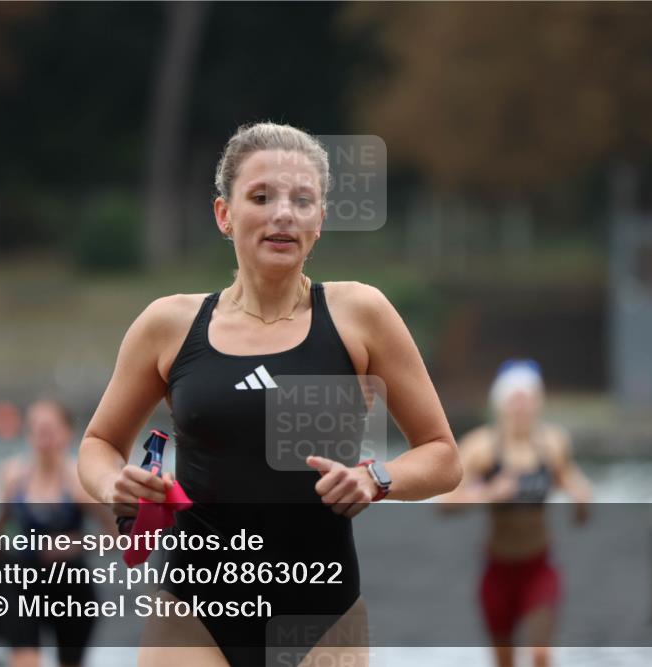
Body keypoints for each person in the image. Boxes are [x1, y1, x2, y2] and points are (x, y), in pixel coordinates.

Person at [78, 121, 461, 666]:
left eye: (302, 200)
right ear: (223, 214)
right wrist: (114, 485)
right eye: (261, 197)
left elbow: (444, 456)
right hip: (193, 611)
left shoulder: (362, 315)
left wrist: (377, 479)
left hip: (321, 612)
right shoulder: (167, 324)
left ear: (320, 221)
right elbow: (98, 442)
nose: (283, 213)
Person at [438, 360, 592, 667]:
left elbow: (576, 490)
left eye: (527, 401)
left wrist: (581, 502)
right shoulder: (482, 447)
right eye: (514, 401)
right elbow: (445, 503)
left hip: (539, 567)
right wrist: (488, 494)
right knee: (504, 662)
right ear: (501, 405)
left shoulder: (552, 444)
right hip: (497, 569)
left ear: (538, 403)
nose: (521, 409)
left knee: (540, 655)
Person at [0, 398, 117, 667]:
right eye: (35, 429)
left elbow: (116, 537)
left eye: (48, 429)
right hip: (23, 582)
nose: (41, 437)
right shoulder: (13, 476)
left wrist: (76, 544)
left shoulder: (79, 481)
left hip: (71, 586)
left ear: (66, 433)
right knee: (25, 661)